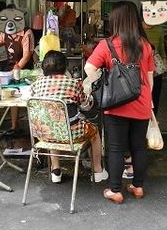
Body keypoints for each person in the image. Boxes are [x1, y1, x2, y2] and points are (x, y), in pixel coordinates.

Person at [85, 1, 154, 204]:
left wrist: (102, 82)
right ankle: (138, 186)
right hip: (141, 103)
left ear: (115, 20)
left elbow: (89, 67)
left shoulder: (107, 44)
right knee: (139, 147)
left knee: (115, 148)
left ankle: (116, 189)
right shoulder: (145, 44)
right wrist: (149, 103)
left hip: (115, 105)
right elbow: (149, 78)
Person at [29, 50, 108, 184]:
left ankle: (56, 170)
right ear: (65, 66)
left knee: (52, 125)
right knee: (94, 131)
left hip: (44, 135)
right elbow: (86, 105)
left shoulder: (36, 85)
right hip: (72, 135)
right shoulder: (73, 83)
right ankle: (98, 170)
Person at [0, 7, 34, 132]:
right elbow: (0, 41)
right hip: (11, 65)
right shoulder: (6, 30)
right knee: (12, 96)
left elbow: (27, 55)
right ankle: (14, 126)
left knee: (26, 96)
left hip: (25, 68)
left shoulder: (27, 33)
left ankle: (33, 127)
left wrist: (17, 68)